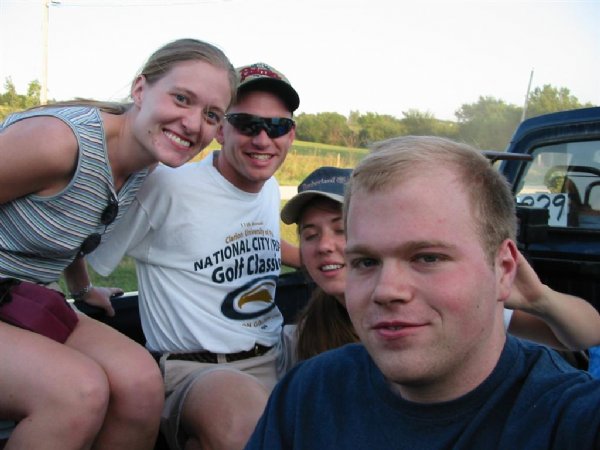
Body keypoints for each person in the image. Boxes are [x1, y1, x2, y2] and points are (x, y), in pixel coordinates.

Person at [246, 136, 600, 449]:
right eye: (366, 262)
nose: (387, 290)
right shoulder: (306, 394)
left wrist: (539, 299)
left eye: (428, 257)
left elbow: (585, 332)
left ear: (504, 268)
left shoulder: (568, 419)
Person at [0, 38, 236, 449]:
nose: (193, 123)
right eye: (182, 98)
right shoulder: (60, 143)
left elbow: (69, 222)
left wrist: (82, 288)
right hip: (9, 295)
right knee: (76, 392)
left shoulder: (145, 164)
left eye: (211, 115)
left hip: (20, 296)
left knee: (141, 383)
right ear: (140, 89)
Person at [87, 62, 300, 450]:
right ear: (220, 129)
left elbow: (257, 240)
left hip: (275, 352)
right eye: (247, 124)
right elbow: (85, 238)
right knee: (244, 428)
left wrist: (315, 260)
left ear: (291, 134)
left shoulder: (267, 188)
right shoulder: (168, 186)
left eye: (277, 126)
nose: (263, 139)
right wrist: (81, 287)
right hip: (199, 368)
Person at [278, 166, 600, 372]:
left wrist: (538, 299)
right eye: (310, 234)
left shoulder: (444, 305)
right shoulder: (308, 332)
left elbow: (587, 334)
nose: (324, 245)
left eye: (340, 229)